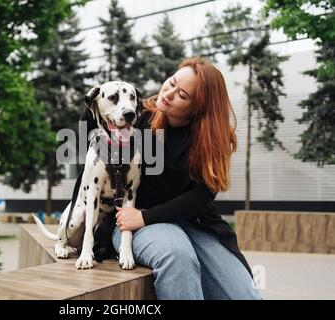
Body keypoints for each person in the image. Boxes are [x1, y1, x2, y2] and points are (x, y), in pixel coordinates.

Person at [110, 57, 263, 300]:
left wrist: (146, 216)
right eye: (171, 83)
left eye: (182, 95)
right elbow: (97, 168)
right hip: (140, 222)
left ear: (197, 110)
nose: (168, 93)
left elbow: (201, 196)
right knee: (178, 257)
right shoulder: (138, 117)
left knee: (244, 296)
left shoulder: (211, 137)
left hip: (195, 223)